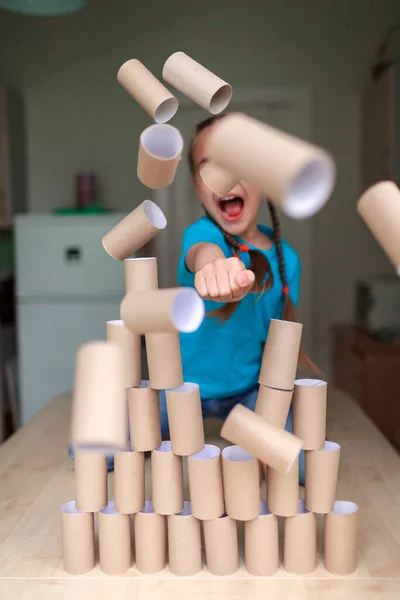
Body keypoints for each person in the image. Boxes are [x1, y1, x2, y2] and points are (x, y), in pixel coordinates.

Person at [158, 113, 319, 485]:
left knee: (302, 465)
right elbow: (203, 254)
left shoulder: (287, 259)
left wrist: (270, 411)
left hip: (245, 394)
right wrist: (214, 267)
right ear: (198, 189)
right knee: (99, 449)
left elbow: (276, 347)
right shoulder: (199, 235)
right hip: (182, 389)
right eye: (210, 168)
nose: (226, 178)